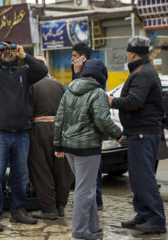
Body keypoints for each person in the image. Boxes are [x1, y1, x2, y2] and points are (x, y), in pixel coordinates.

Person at [0, 41, 48, 232]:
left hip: (22, 132)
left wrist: (23, 54)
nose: (7, 53)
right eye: (4, 51)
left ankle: (18, 210)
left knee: (21, 175)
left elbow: (42, 70)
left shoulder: (25, 73)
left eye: (10, 50)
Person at [54, 59, 122, 240]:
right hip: (87, 148)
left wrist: (58, 144)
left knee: (87, 186)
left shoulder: (70, 89)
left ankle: (93, 225)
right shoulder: (98, 92)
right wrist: (118, 134)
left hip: (68, 146)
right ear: (100, 76)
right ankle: (79, 230)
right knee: (85, 190)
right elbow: (103, 120)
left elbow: (59, 117)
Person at [109, 36, 166, 234]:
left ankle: (156, 220)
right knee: (137, 177)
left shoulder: (143, 73)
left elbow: (134, 101)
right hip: (138, 132)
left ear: (132, 52)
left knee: (144, 177)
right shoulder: (142, 71)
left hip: (143, 132)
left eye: (127, 52)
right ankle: (143, 214)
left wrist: (112, 101)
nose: (126, 55)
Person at [28, 55, 73, 220]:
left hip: (39, 130)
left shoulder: (31, 86)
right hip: (61, 130)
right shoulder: (60, 85)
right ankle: (60, 206)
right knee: (62, 169)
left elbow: (28, 113)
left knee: (41, 170)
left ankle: (49, 209)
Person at [71, 42, 105, 210]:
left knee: (93, 172)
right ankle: (90, 201)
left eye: (74, 56)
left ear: (83, 58)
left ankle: (95, 201)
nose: (72, 60)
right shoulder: (78, 72)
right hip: (79, 132)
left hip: (90, 133)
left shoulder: (93, 73)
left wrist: (78, 74)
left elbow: (81, 95)